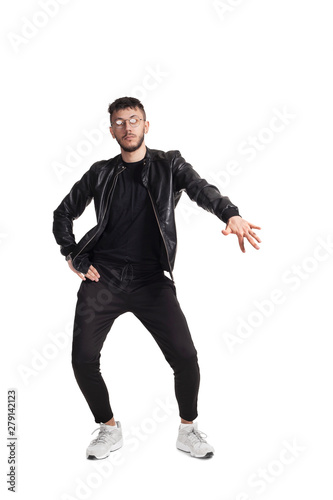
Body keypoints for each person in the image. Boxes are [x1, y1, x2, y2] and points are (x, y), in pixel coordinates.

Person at [52, 96, 261, 460]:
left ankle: (188, 429)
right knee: (83, 358)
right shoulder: (101, 172)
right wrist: (73, 254)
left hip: (152, 280)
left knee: (185, 356)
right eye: (120, 121)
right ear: (112, 129)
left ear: (146, 126)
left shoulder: (169, 164)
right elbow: (62, 213)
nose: (127, 127)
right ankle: (108, 428)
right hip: (105, 279)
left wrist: (230, 214)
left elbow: (202, 189)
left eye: (134, 120)